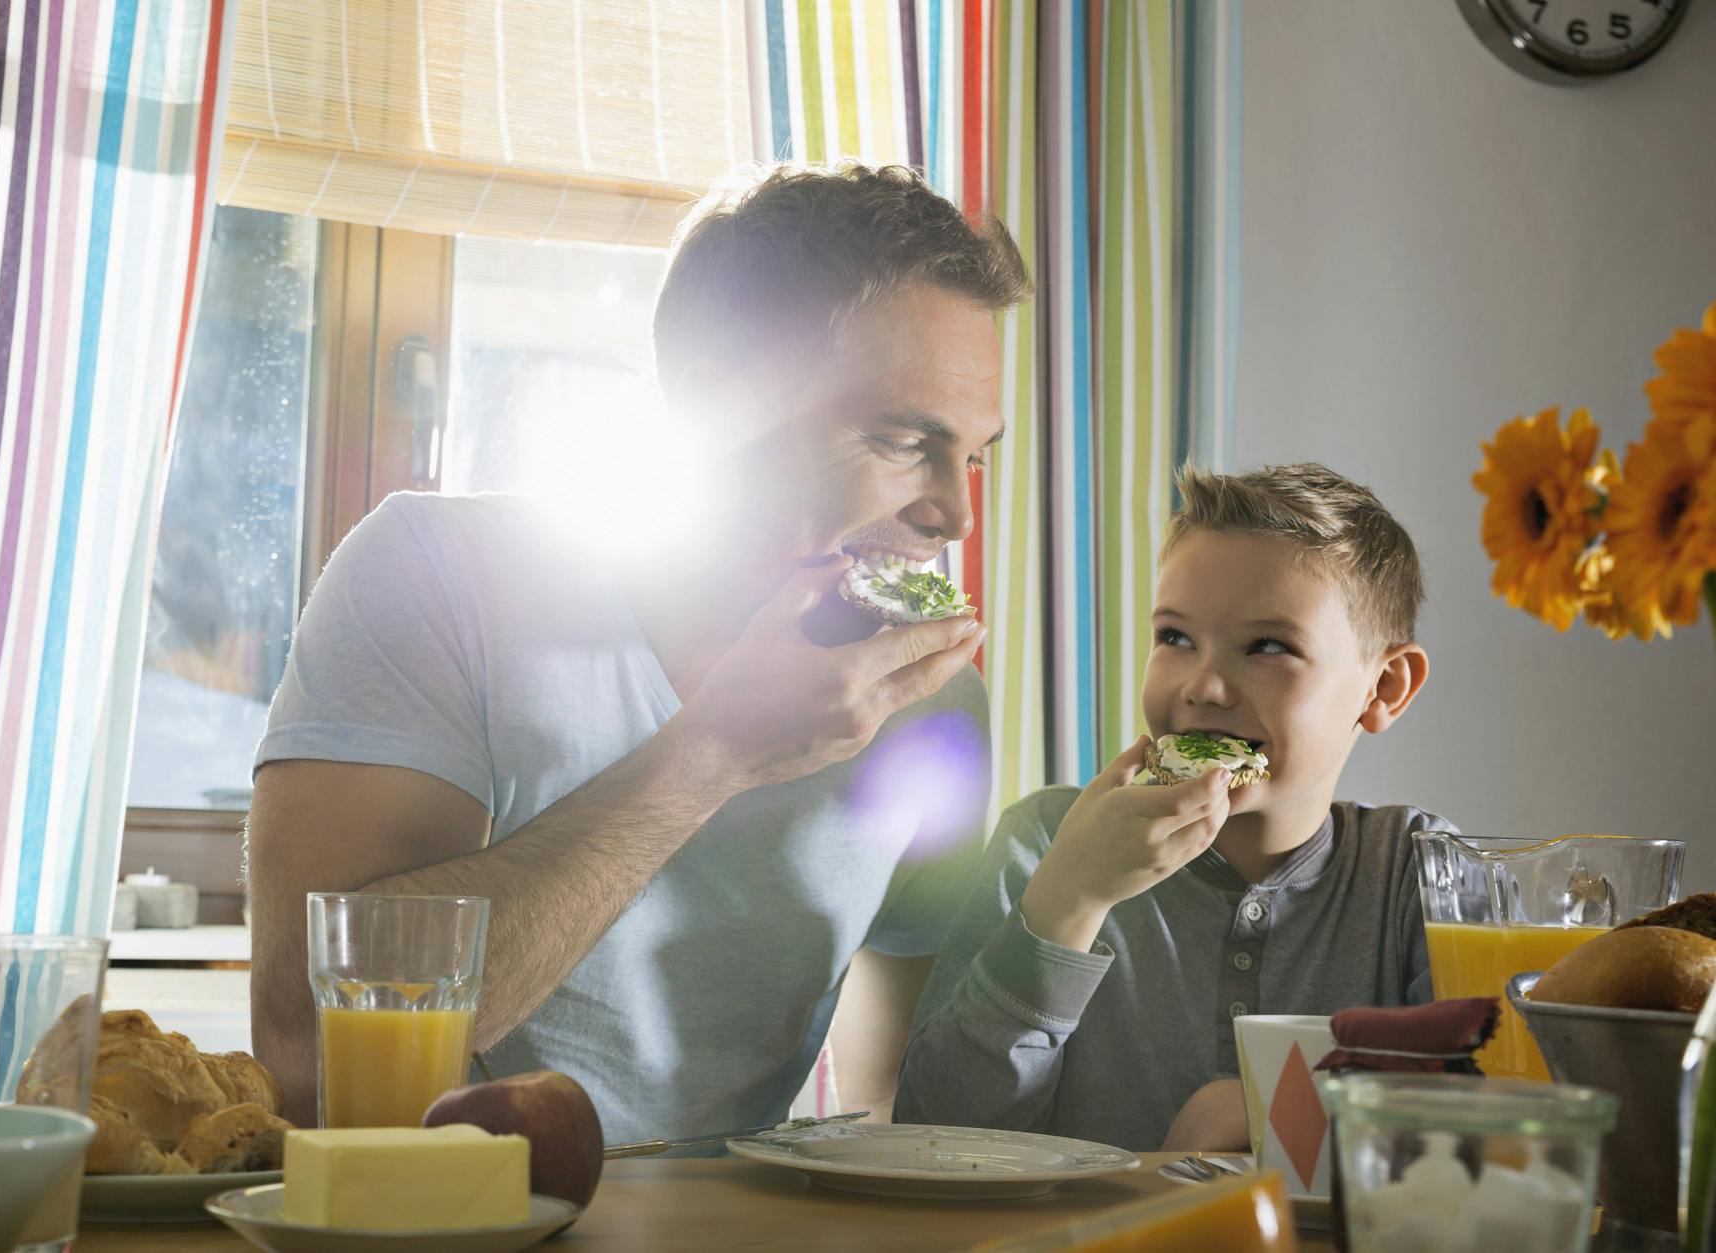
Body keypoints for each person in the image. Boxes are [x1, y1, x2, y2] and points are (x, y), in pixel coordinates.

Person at [246, 163, 1032, 1137]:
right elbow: (306, 1052)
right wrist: (711, 756)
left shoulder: (930, 705)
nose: (953, 512)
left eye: (974, 454)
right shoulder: (436, 574)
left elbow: (895, 1116)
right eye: (899, 439)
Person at [894, 463, 1445, 1152]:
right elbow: (937, 1140)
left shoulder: (1423, 877)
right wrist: (1069, 902)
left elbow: (1498, 1114)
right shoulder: (1046, 843)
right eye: (1175, 637)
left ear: (1384, 686)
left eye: (1268, 646)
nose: (1203, 686)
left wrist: (1277, 1106)